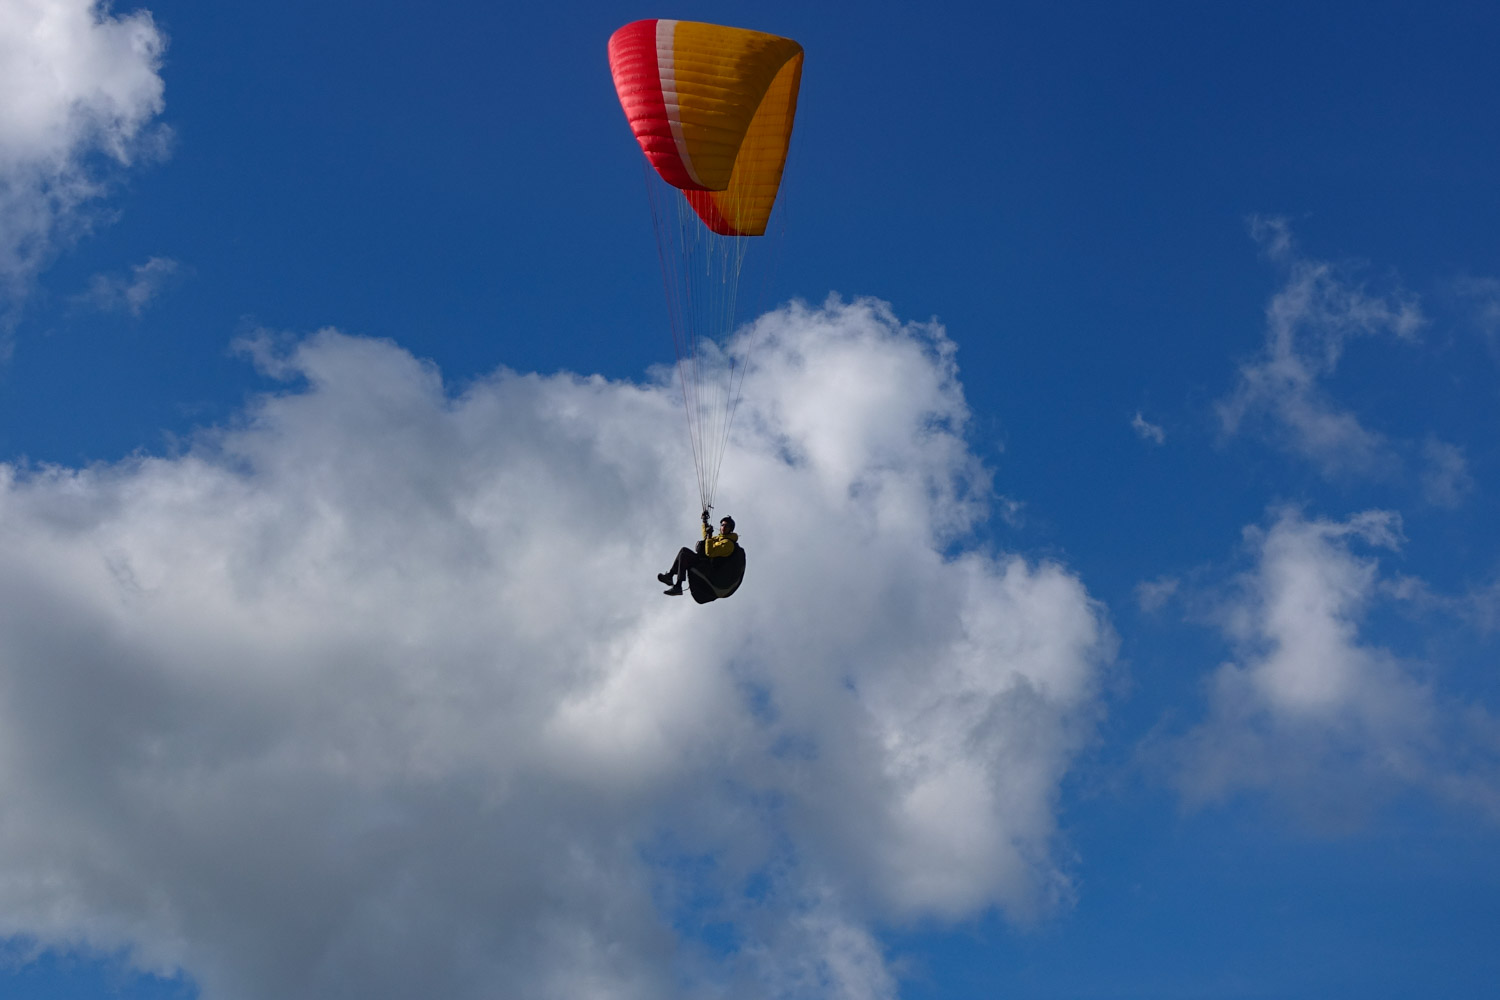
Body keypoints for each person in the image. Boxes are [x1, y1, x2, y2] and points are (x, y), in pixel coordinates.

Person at [658, 511, 744, 601]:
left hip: (711, 572)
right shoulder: (719, 539)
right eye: (722, 525)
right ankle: (670, 576)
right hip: (706, 565)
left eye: (727, 526)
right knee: (684, 551)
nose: (724, 527)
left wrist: (709, 536)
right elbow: (706, 538)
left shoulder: (728, 544)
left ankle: (678, 586)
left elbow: (710, 552)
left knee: (685, 555)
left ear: (731, 529)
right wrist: (704, 522)